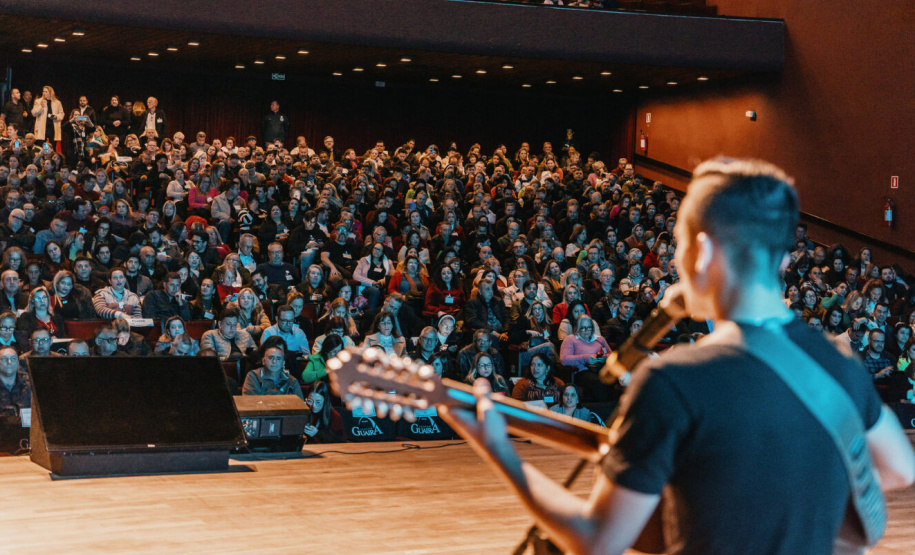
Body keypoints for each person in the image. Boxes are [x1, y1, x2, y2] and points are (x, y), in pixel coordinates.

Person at [440, 157, 914, 555]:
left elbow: (597, 540)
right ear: (783, 259)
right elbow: (899, 468)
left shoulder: (674, 381)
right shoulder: (839, 363)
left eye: (680, 246)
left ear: (702, 252)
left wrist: (500, 449)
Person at [0, 346, 30, 417]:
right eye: (4, 359)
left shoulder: (31, 382)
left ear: (18, 362)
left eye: (13, 359)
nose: (9, 362)